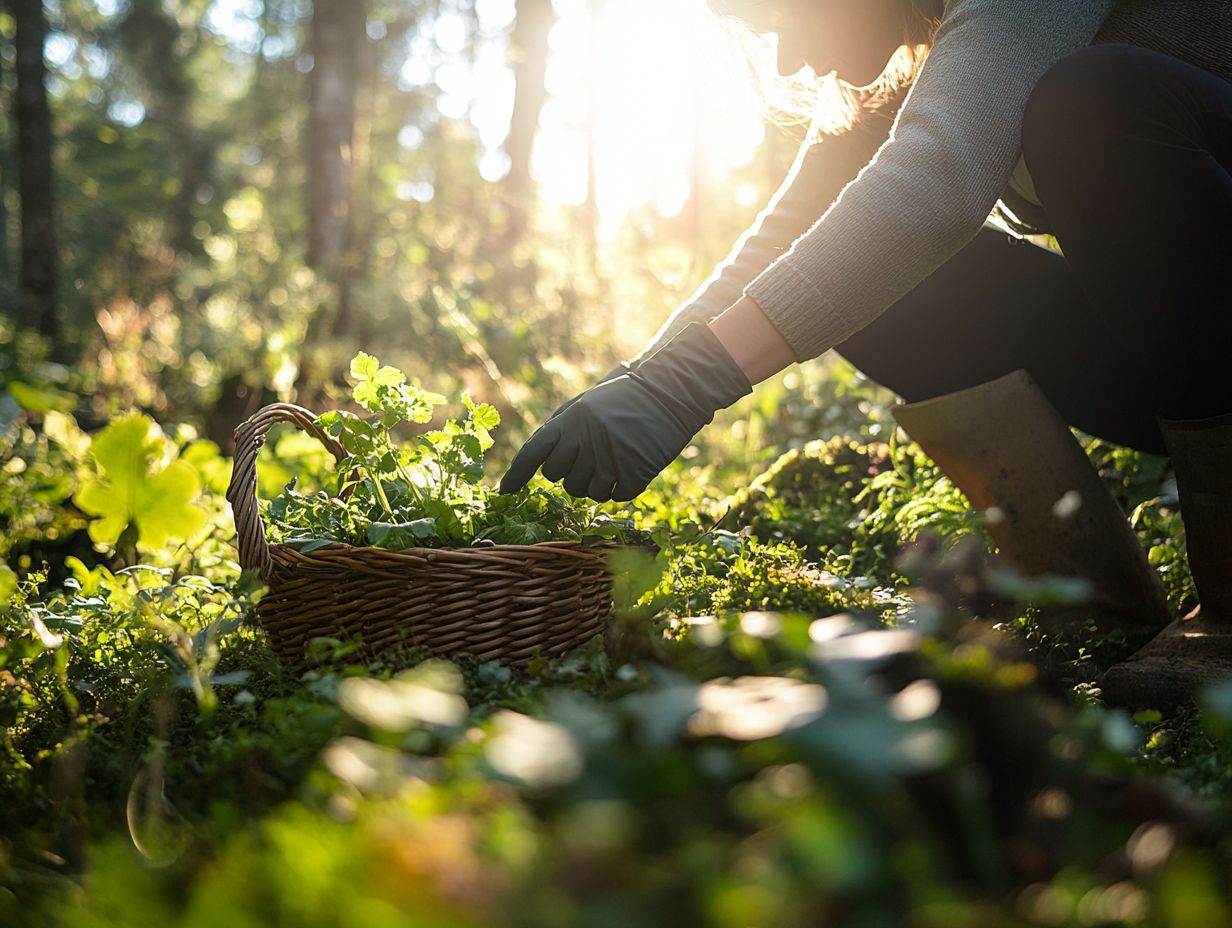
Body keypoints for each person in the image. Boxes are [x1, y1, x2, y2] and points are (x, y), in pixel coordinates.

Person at [499, 0, 1232, 706]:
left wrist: (687, 385)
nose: (785, 57)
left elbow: (938, 179)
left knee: (1095, 102)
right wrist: (644, 381)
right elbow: (782, 245)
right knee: (870, 281)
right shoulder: (913, 55)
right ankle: (1087, 605)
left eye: (784, 15)